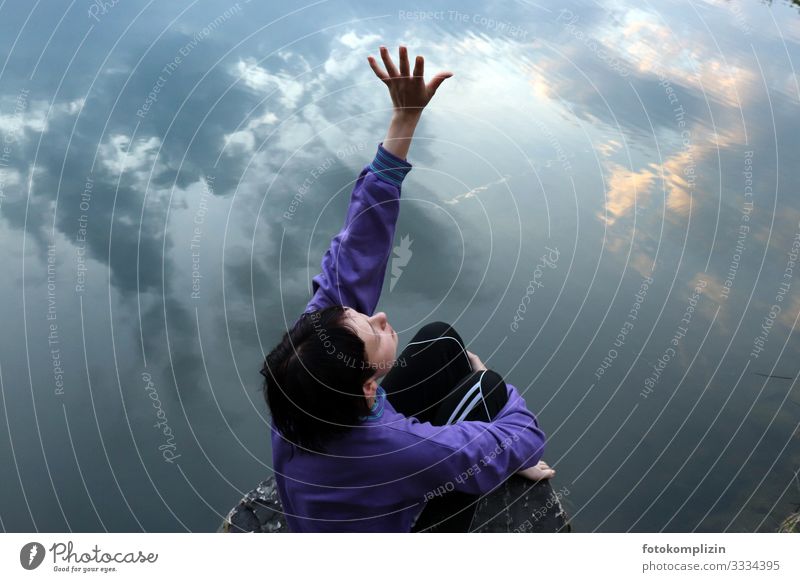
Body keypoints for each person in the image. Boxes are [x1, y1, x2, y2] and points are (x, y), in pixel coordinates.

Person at [261, 45, 554, 533]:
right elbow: (526, 434)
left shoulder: (303, 382)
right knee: (488, 389)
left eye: (358, 316)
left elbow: (355, 252)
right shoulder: (402, 450)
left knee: (441, 341)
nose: (377, 316)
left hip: (345, 480)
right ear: (369, 386)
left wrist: (404, 119)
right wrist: (499, 414)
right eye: (374, 331)